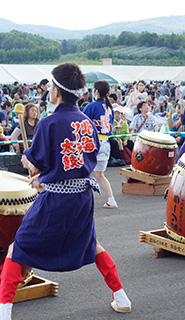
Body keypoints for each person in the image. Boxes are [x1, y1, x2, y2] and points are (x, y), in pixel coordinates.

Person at [0, 63, 131, 320]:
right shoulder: (86, 122)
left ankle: (4, 311)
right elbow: (79, 163)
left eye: (50, 86)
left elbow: (35, 163)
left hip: (56, 200)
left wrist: (31, 167)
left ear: (57, 92)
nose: (48, 90)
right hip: (82, 198)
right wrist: (46, 176)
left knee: (18, 248)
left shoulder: (50, 123)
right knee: (92, 245)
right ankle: (121, 296)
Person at [83, 80, 118, 209]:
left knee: (84, 174)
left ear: (96, 91)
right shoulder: (109, 108)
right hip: (105, 143)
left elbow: (82, 125)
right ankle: (111, 199)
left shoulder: (91, 106)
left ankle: (83, 202)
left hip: (93, 143)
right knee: (99, 174)